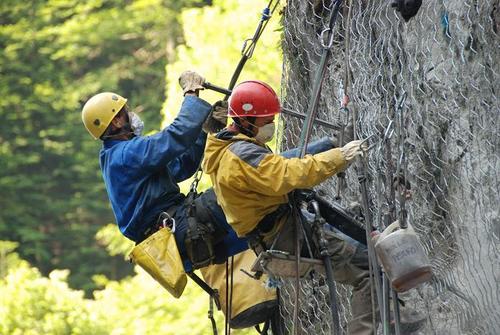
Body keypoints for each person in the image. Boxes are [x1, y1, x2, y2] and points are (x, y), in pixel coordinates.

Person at [202, 80, 425, 335]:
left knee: (366, 254)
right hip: (286, 234)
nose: (270, 126)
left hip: (281, 229)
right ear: (246, 120)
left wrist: (329, 146)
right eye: (266, 121)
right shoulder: (241, 154)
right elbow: (288, 173)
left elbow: (281, 163)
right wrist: (341, 156)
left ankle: (392, 319)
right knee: (366, 270)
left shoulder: (229, 147)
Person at [80, 71, 338, 273]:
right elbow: (175, 136)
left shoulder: (122, 157)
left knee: (271, 213)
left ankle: (330, 226)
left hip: (179, 232)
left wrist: (208, 128)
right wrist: (191, 94)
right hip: (177, 228)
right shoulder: (124, 155)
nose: (132, 114)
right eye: (126, 112)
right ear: (115, 121)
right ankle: (325, 149)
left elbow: (181, 166)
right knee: (248, 181)